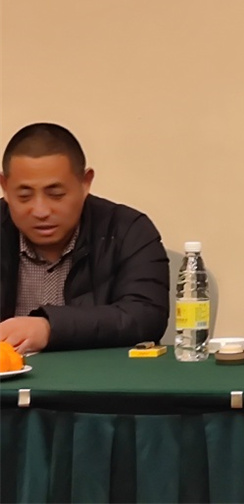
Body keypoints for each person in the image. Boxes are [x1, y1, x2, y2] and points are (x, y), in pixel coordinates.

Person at [0, 123, 170, 353]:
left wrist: (49, 328)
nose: (41, 211)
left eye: (56, 194)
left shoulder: (128, 230)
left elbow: (145, 317)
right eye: (24, 196)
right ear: (5, 186)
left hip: (98, 375)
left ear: (85, 183)